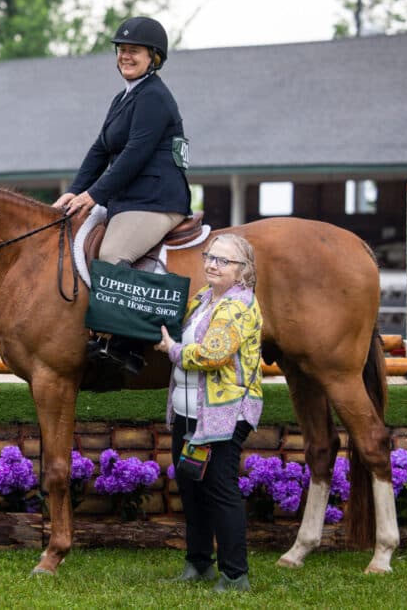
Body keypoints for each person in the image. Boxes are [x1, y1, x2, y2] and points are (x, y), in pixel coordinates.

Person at [52, 15, 191, 373]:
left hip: (156, 201)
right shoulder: (123, 98)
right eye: (122, 50)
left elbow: (135, 155)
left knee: (112, 254)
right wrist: (74, 192)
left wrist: (94, 195)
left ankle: (126, 344)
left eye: (134, 52)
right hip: (127, 199)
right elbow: (100, 149)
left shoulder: (155, 98)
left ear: (154, 58)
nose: (125, 56)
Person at [154, 233, 263, 592]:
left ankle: (235, 574)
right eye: (210, 257)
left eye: (223, 261)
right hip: (190, 413)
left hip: (225, 414)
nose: (212, 264)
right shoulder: (203, 298)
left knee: (220, 489)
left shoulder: (238, 306)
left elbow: (212, 354)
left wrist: (173, 350)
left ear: (243, 271)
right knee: (191, 486)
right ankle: (198, 563)